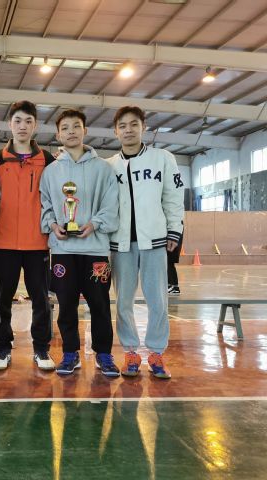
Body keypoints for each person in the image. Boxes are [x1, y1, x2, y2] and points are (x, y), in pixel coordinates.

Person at [40, 109, 120, 377]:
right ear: (58, 135)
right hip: (63, 250)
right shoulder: (50, 171)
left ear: (85, 131)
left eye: (76, 126)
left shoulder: (103, 168)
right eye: (65, 128)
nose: (71, 131)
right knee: (66, 305)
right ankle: (70, 352)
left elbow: (111, 204)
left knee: (100, 304)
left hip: (95, 249)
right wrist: (53, 225)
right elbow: (45, 205)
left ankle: (104, 354)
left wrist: (94, 224)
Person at [107, 105, 185, 379]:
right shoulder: (109, 165)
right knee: (123, 302)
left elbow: (173, 197)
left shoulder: (162, 159)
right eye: (123, 126)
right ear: (115, 131)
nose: (128, 130)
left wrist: (174, 231)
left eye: (134, 125)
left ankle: (156, 352)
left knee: (158, 300)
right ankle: (130, 351)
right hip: (120, 244)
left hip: (155, 241)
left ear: (144, 128)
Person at [0, 100, 56, 371]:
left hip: (37, 243)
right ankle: (2, 348)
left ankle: (41, 349)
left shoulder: (48, 160)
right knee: (2, 299)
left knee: (40, 300)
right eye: (17, 121)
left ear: (35, 125)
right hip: (3, 242)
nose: (22, 126)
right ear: (10, 124)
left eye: (28, 121)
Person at [167, 229, 183, 296]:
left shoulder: (176, 226)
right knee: (168, 264)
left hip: (172, 244)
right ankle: (172, 286)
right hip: (173, 243)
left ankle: (173, 287)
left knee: (169, 263)